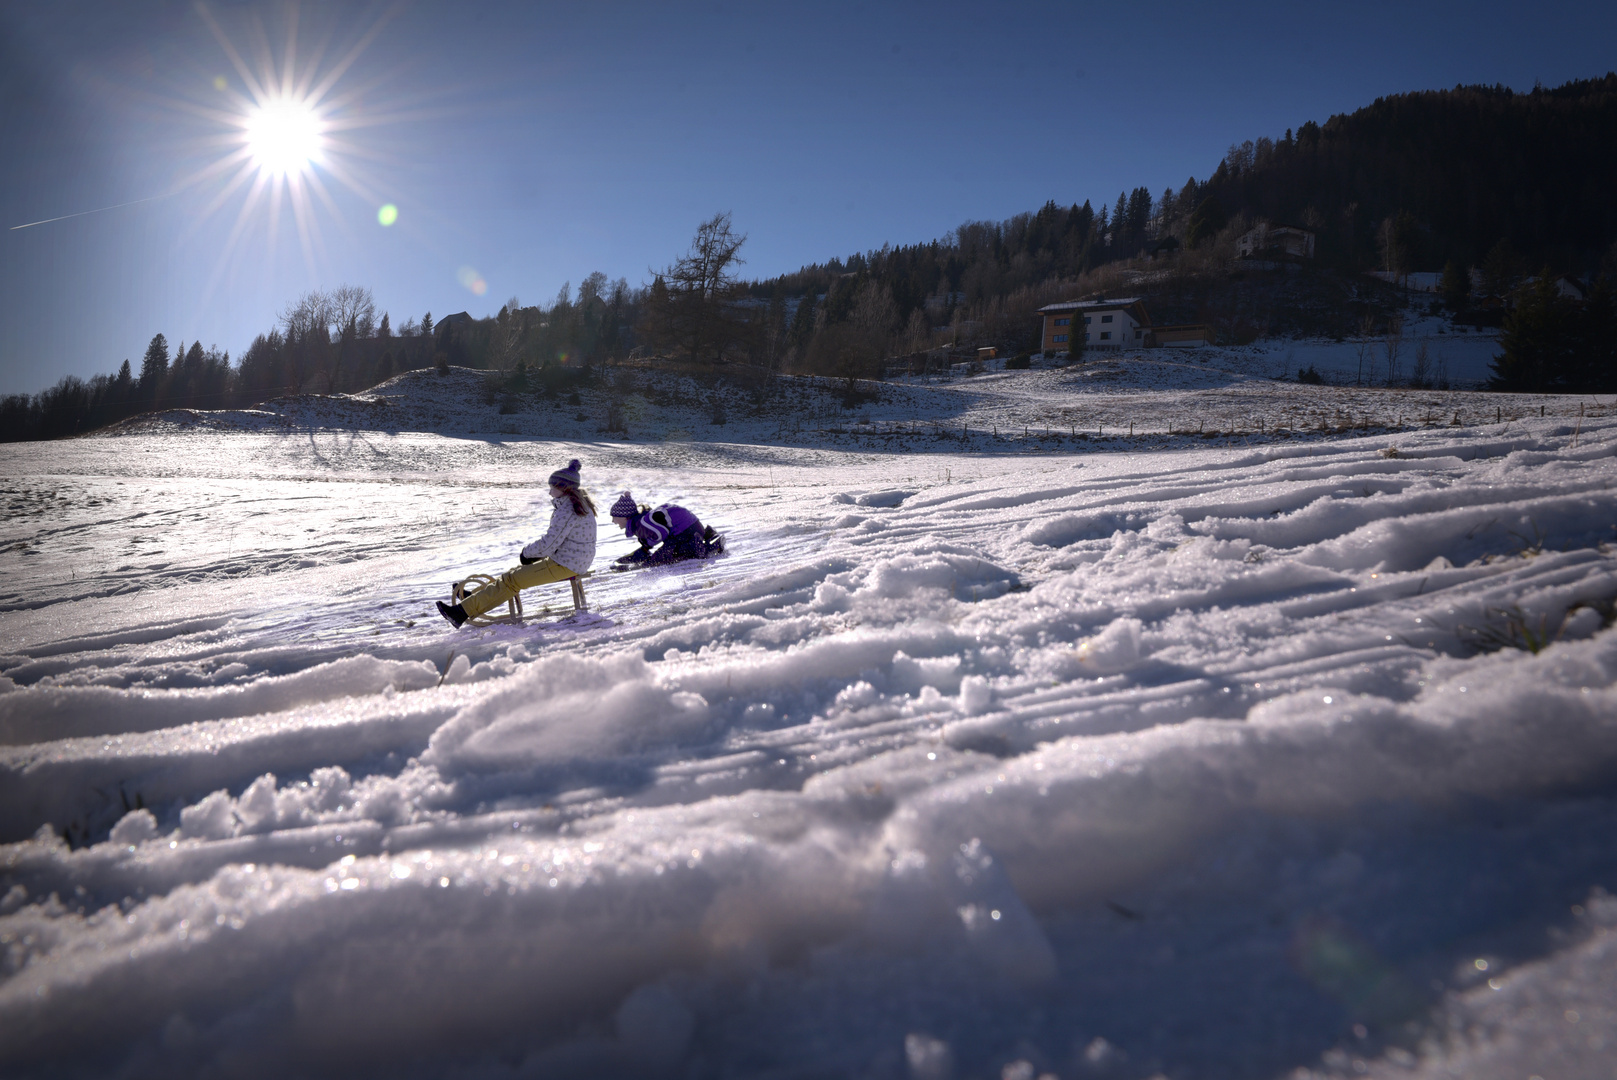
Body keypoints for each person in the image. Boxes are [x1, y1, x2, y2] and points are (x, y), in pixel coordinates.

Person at [436, 459, 598, 628]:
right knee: (513, 573)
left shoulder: (568, 509)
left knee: (512, 580)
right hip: (571, 560)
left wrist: (527, 554)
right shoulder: (573, 505)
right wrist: (534, 555)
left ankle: (460, 613)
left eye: (553, 488)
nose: (550, 492)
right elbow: (556, 541)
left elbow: (549, 543)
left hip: (567, 563)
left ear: (564, 488)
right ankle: (474, 598)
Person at [608, 491, 723, 569]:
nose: (613, 521)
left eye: (615, 517)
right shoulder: (640, 521)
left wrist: (647, 546)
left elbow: (660, 534)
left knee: (658, 560)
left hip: (686, 531)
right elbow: (657, 533)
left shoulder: (641, 524)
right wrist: (646, 547)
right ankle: (706, 536)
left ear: (625, 517)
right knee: (659, 557)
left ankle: (708, 546)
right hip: (692, 527)